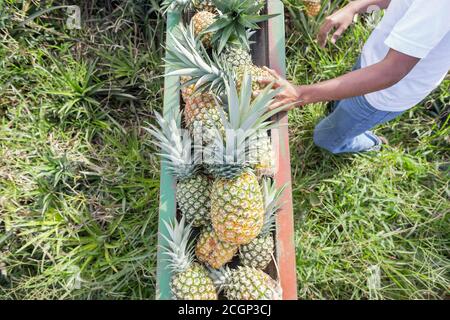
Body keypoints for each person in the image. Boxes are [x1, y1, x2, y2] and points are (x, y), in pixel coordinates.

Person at [260, 0, 450, 154]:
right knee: (338, 106)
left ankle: (371, 143)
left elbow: (391, 71)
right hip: (372, 63)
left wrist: (300, 94)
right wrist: (354, 7)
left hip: (384, 92)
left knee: (325, 137)